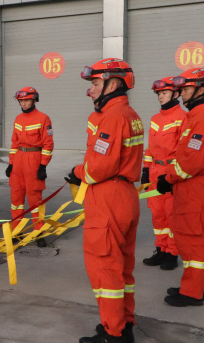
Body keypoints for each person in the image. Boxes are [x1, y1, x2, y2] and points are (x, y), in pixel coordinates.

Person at [65, 58, 142, 343]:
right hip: (125, 195)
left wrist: (77, 172)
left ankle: (114, 333)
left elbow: (99, 167)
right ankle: (124, 324)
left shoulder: (112, 117)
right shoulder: (130, 114)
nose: (92, 89)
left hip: (108, 197)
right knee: (123, 269)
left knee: (105, 268)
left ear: (113, 84)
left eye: (96, 83)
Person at [157, 68, 204, 307]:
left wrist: (169, 178)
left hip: (195, 187)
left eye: (186, 89)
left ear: (201, 90)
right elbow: (183, 157)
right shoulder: (193, 118)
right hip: (188, 186)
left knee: (193, 240)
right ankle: (193, 285)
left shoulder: (202, 120)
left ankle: (193, 292)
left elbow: (191, 162)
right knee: (185, 237)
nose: (181, 93)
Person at [141, 77, 185, 270]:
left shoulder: (183, 118)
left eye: (164, 93)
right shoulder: (155, 119)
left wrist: (175, 176)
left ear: (176, 94)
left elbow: (184, 152)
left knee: (171, 216)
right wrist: (145, 169)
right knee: (158, 215)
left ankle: (172, 253)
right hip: (154, 173)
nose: (160, 96)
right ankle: (160, 249)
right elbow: (150, 147)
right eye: (159, 93)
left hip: (171, 174)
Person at [6, 87, 54, 247]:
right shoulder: (18, 119)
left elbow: (48, 144)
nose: (24, 103)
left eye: (26, 100)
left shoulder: (43, 118)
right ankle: (17, 232)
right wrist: (11, 163)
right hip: (18, 160)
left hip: (34, 160)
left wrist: (43, 165)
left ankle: (38, 232)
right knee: (16, 200)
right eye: (21, 101)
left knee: (35, 200)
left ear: (34, 100)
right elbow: (14, 143)